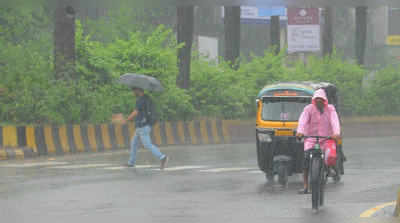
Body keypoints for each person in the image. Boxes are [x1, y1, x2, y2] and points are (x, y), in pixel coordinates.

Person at [296, 88, 341, 194]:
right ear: (314, 100)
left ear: (325, 100)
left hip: (327, 139)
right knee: (306, 160)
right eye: (317, 100)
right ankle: (306, 186)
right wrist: (300, 132)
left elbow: (335, 121)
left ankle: (331, 169)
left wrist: (336, 133)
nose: (319, 102)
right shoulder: (308, 109)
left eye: (321, 100)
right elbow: (303, 121)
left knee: (330, 157)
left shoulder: (330, 109)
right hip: (311, 138)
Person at [123, 87, 168, 170]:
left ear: (138, 90)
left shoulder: (140, 100)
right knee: (134, 143)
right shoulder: (148, 98)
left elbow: (136, 112)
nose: (133, 93)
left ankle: (162, 157)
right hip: (144, 125)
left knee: (147, 145)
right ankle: (131, 162)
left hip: (142, 126)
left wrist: (127, 119)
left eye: (134, 91)